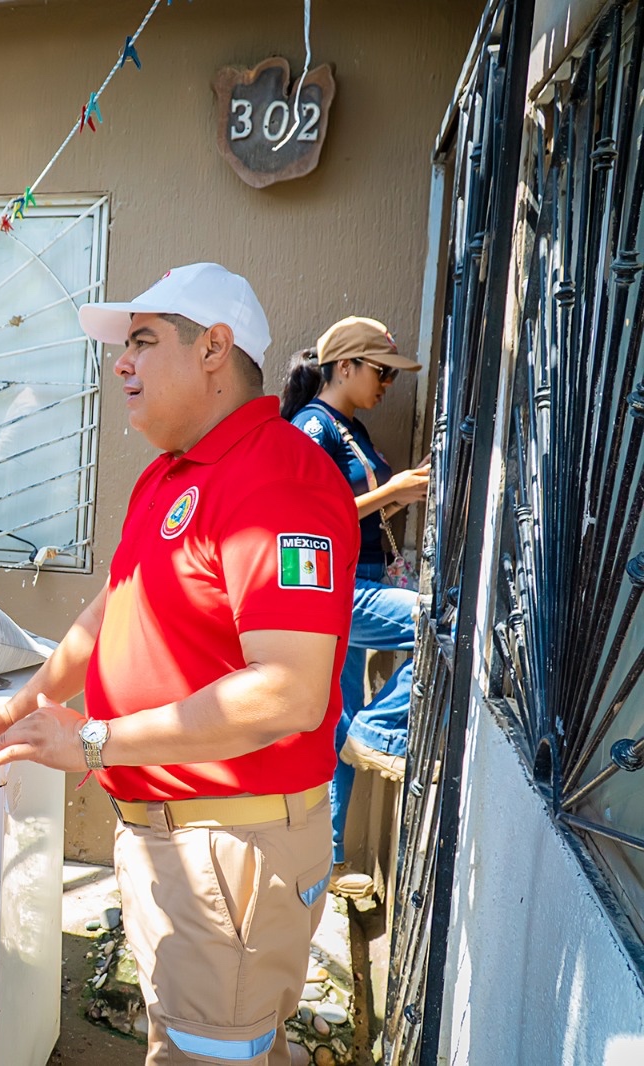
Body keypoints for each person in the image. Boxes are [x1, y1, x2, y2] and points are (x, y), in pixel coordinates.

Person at [0, 262, 359, 1066]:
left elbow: (289, 692)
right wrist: (19, 708)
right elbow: (111, 610)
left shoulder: (279, 478)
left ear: (214, 350)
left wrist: (94, 743)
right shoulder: (171, 473)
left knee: (209, 1052)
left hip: (229, 852)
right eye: (124, 345)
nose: (120, 362)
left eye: (143, 341)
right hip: (174, 842)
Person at [281, 317, 429, 900]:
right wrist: (394, 492)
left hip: (361, 575)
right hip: (335, 587)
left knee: (334, 726)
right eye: (382, 372)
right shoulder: (312, 427)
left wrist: (399, 495)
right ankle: (381, 728)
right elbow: (301, 516)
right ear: (345, 366)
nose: (388, 385)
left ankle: (329, 863)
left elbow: (351, 512)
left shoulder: (350, 427)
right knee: (436, 626)